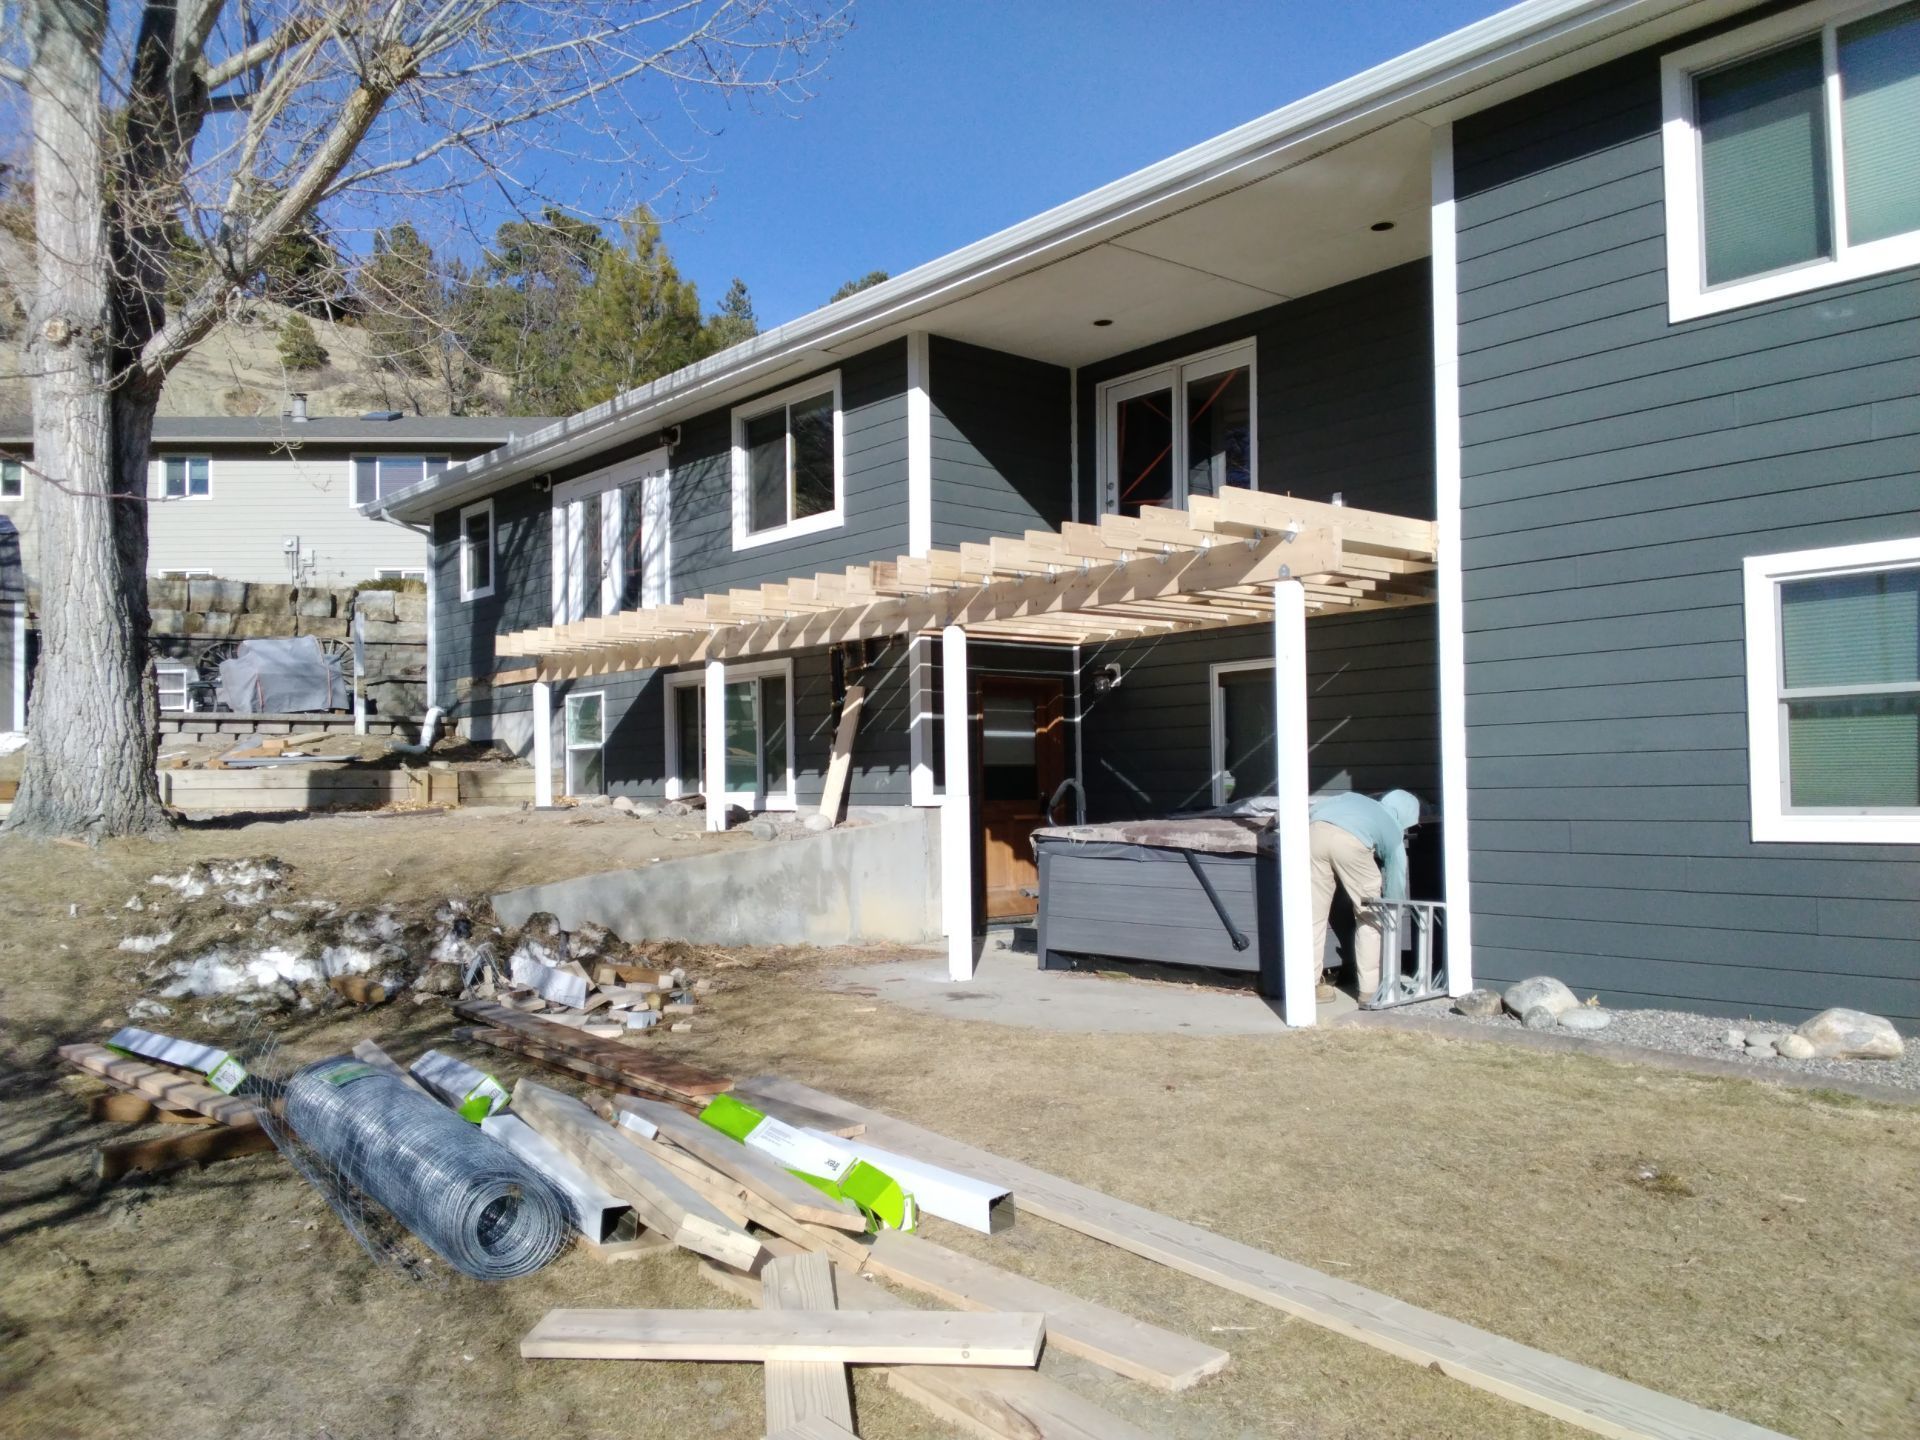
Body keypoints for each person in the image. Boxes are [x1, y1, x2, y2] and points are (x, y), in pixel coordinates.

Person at [1306, 789, 1421, 1003]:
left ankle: (1308, 986)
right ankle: (1369, 992)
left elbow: (1314, 810)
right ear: (1405, 816)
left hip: (1315, 834)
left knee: (1314, 917)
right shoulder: (1392, 827)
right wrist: (1394, 910)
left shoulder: (1353, 798)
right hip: (1351, 843)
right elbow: (1396, 874)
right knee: (1370, 917)